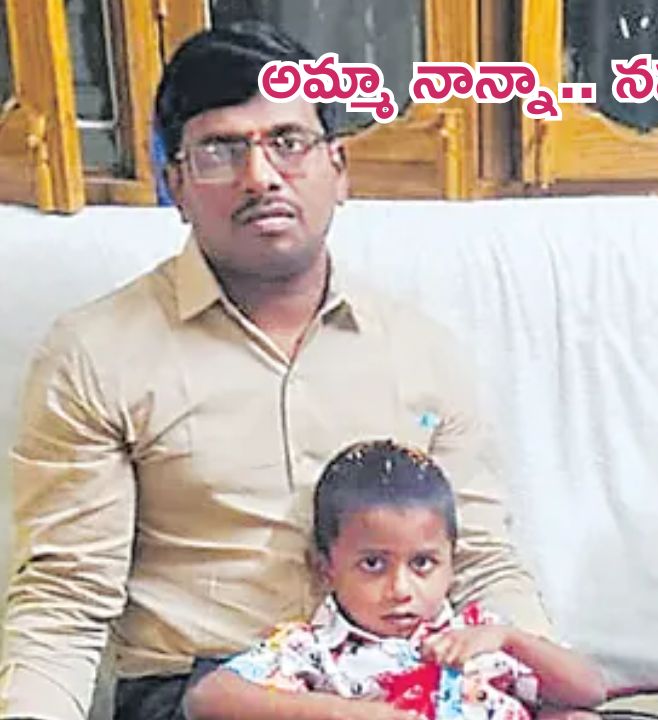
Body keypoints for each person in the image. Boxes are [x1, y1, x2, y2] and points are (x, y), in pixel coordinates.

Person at [0, 22, 549, 720]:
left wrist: (551, 691)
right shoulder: (96, 353)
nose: (260, 176)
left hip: (402, 686)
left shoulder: (422, 351)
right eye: (221, 150)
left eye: (288, 142)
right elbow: (65, 599)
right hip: (200, 695)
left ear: (338, 169)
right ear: (177, 185)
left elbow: (481, 560)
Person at [184, 440, 606, 720]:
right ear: (326, 568)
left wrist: (512, 640)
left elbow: (590, 690)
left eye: (423, 564)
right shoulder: (311, 649)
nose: (401, 590)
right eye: (373, 564)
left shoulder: (478, 635)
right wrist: (344, 712)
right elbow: (207, 698)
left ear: (451, 563)